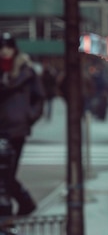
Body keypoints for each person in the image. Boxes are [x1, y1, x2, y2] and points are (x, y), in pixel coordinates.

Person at [0, 32, 45, 216]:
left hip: (17, 130)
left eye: (8, 47)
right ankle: (21, 203)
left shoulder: (26, 71)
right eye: (2, 48)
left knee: (8, 174)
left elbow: (39, 98)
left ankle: (20, 204)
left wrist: (29, 117)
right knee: (3, 174)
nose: (5, 52)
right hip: (1, 127)